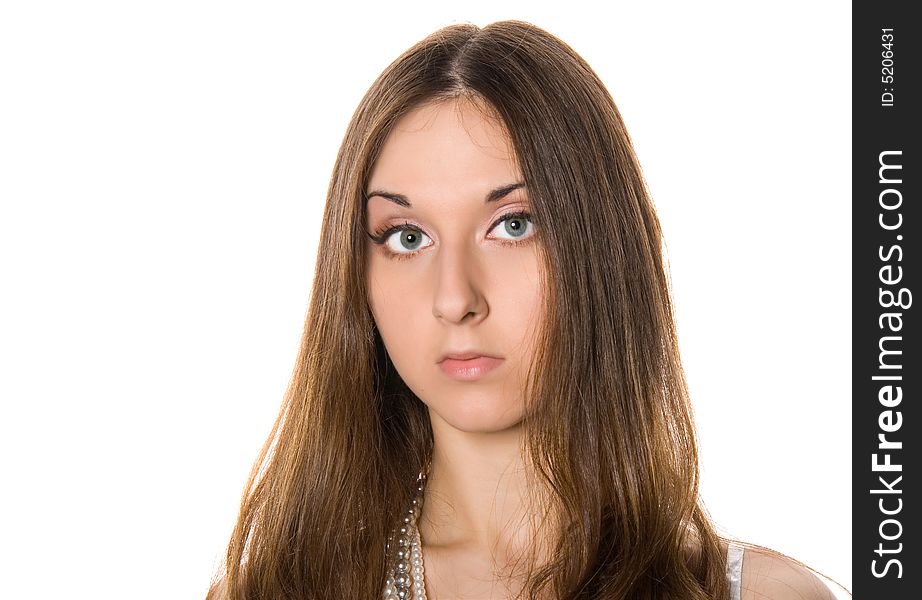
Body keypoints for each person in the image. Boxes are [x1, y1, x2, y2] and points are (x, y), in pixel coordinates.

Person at [207, 20, 841, 599]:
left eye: (514, 226)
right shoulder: (275, 590)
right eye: (407, 237)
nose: (456, 299)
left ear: (600, 247)